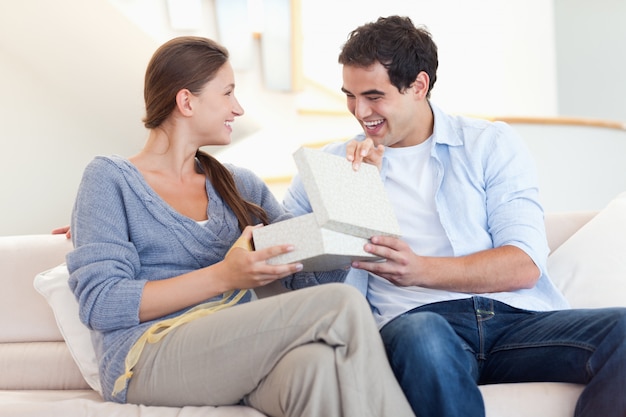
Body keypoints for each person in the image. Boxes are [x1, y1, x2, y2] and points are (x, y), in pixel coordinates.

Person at [283, 15, 626, 417]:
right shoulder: (333, 165)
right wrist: (355, 196)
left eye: (374, 96)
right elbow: (289, 269)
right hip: (415, 323)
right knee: (423, 337)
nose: (359, 112)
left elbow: (524, 265)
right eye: (349, 96)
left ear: (418, 85)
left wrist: (420, 269)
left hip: (514, 321)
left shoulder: (488, 144)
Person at [66, 36, 415, 417]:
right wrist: (224, 276)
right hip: (144, 356)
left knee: (314, 368)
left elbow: (310, 281)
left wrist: (358, 196)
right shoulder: (109, 180)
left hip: (233, 349)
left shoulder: (239, 185)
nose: (239, 108)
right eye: (228, 93)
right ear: (186, 101)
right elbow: (101, 304)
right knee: (342, 305)